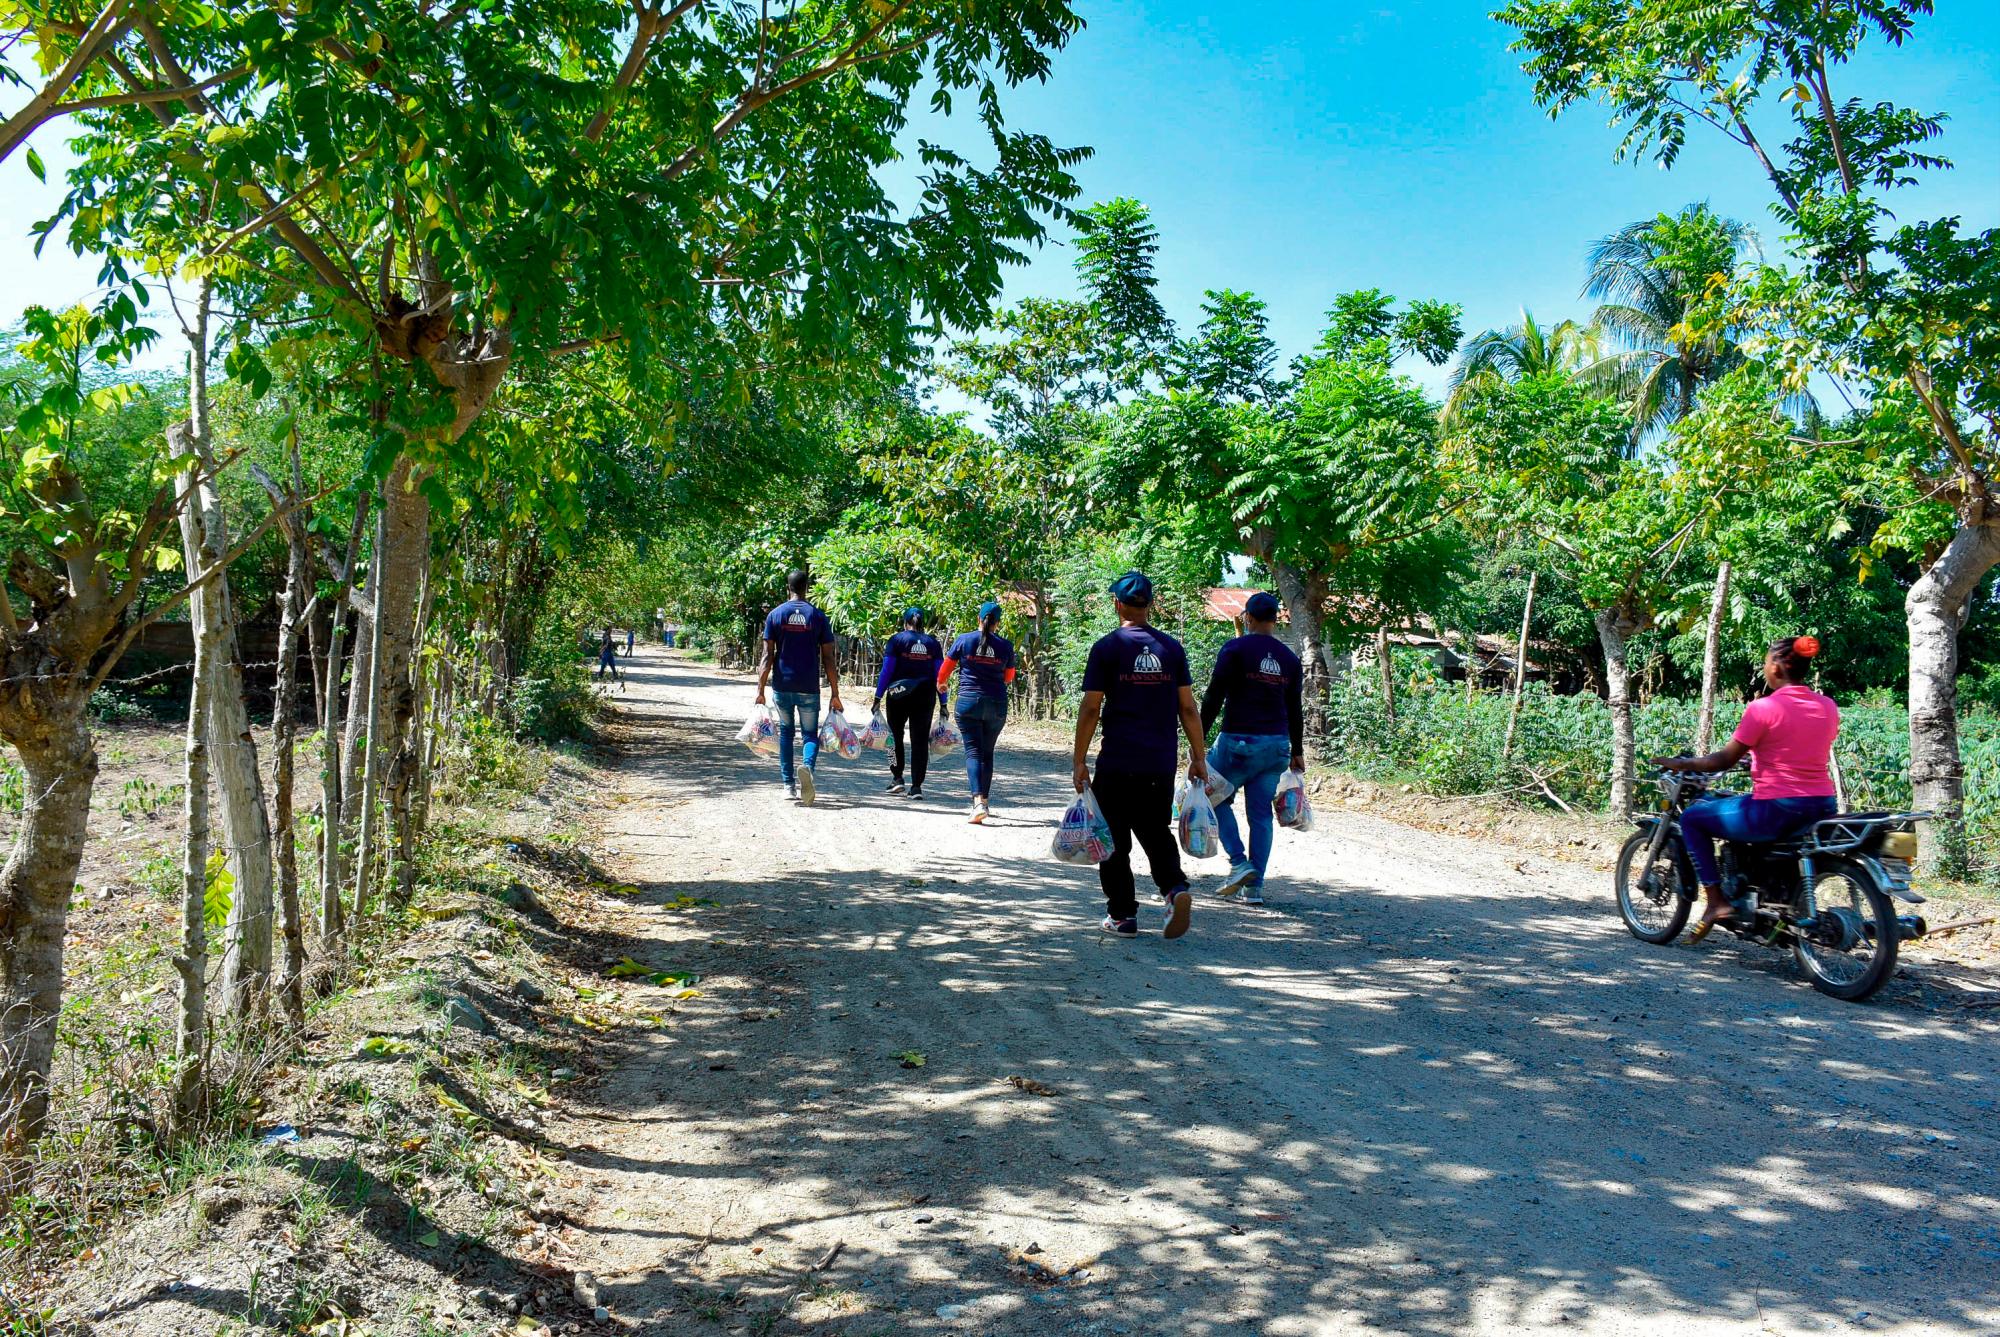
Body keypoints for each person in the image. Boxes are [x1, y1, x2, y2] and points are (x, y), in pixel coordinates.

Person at [1657, 636, 1839, 936]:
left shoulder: (1763, 708)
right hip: (1822, 805)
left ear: (1778, 667)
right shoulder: (1828, 706)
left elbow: (1723, 761)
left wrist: (1682, 764)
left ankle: (1716, 901)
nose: (1765, 668)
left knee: (1691, 818)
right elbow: (1798, 748)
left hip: (1777, 809)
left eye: (1767, 662)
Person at [1072, 571, 1210, 939]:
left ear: (1116, 603)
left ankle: (1122, 915)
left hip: (1117, 761)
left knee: (1113, 840)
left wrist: (1079, 760)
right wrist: (1199, 756)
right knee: (1155, 831)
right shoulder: (1171, 649)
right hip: (1159, 763)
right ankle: (1174, 889)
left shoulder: (1107, 648)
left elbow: (1090, 710)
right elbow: (1188, 709)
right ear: (1149, 604)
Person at [1199, 591, 1305, 906]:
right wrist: (1297, 749)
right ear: (1275, 619)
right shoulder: (1289, 659)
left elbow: (1214, 695)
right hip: (1276, 746)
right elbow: (1294, 708)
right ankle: (1254, 889)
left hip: (1239, 742)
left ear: (1247, 617)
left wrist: (1198, 739)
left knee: (1213, 795)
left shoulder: (1234, 648)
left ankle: (1238, 862)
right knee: (1260, 815)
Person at [755, 570, 842, 805]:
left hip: (782, 685)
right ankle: (807, 769)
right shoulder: (818, 616)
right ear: (807, 588)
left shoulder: (775, 615)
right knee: (809, 735)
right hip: (809, 686)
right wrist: (835, 693)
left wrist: (761, 689)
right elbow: (829, 658)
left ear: (788, 587)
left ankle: (788, 786)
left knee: (786, 733)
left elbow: (767, 655)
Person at [939, 601, 1016, 823]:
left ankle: (977, 803)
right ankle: (985, 802)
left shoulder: (964, 640)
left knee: (973, 752)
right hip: (996, 704)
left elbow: (944, 670)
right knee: (987, 753)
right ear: (998, 624)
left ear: (978, 619)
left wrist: (941, 684)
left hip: (968, 703)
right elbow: (1008, 678)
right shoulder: (1006, 646)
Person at [873, 608, 944, 799]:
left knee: (893, 738)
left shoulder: (896, 640)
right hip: (926, 696)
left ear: (905, 623)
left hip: (898, 695)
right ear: (922, 624)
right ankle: (917, 787)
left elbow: (887, 670)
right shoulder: (933, 644)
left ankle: (897, 778)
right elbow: (940, 676)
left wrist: (878, 696)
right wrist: (943, 702)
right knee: (920, 741)